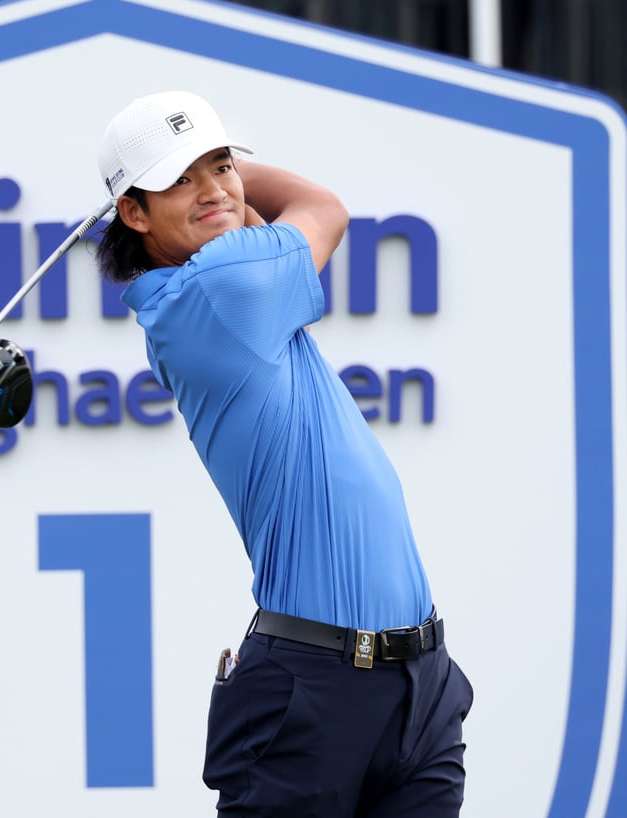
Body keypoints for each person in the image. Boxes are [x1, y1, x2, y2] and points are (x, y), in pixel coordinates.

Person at [94, 90, 473, 817]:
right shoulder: (221, 285)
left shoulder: (223, 280)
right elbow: (322, 206)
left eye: (221, 165)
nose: (213, 190)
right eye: (180, 178)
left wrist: (206, 184)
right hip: (314, 689)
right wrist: (234, 192)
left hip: (418, 681)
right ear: (134, 215)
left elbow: (246, 210)